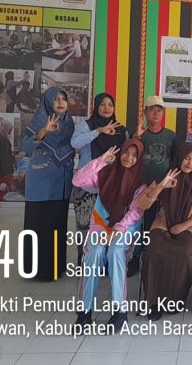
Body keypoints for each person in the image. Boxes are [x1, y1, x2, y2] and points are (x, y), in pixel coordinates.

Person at [71, 140, 150, 332]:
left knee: (115, 252)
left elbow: (135, 213)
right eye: (126, 152)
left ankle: (120, 312)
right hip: (100, 225)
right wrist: (101, 161)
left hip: (125, 229)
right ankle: (85, 311)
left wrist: (116, 231)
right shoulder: (105, 174)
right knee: (95, 253)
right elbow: (77, 180)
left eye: (134, 155)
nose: (129, 158)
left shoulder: (140, 183)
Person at [140, 144, 192, 321]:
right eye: (187, 158)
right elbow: (143, 204)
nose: (190, 163)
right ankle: (154, 302)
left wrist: (184, 225)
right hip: (163, 224)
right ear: (179, 157)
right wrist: (162, 186)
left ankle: (174, 300)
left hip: (189, 227)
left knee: (185, 253)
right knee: (154, 251)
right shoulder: (165, 176)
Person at [21, 87, 76, 281]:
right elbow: (25, 146)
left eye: (63, 99)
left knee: (57, 225)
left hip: (62, 183)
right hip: (41, 182)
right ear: (48, 102)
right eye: (56, 99)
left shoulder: (69, 123)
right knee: (40, 224)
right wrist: (44, 130)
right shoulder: (40, 120)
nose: (60, 102)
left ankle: (55, 267)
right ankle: (36, 270)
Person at [70, 93, 128, 263]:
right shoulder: (87, 125)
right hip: (87, 186)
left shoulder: (121, 130)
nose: (106, 108)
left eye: (110, 104)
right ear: (96, 106)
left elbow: (127, 154)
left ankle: (104, 264)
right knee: (84, 227)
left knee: (108, 227)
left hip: (110, 187)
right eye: (102, 104)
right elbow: (75, 143)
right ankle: (84, 263)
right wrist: (99, 131)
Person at [134, 95, 180, 275]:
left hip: (163, 191)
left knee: (157, 225)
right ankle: (136, 258)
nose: (155, 113)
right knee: (139, 224)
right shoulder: (140, 135)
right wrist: (136, 137)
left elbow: (176, 163)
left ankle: (154, 258)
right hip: (142, 190)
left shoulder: (171, 136)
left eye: (159, 110)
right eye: (152, 109)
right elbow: (129, 159)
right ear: (145, 112)